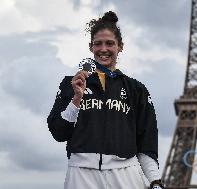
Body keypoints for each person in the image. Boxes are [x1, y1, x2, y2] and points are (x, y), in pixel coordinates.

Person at [47, 11, 164, 189]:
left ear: (120, 46)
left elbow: (146, 141)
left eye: (110, 43)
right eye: (98, 44)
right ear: (91, 47)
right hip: (81, 173)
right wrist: (76, 98)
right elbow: (59, 133)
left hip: (126, 173)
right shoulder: (70, 84)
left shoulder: (136, 89)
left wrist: (155, 182)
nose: (103, 49)